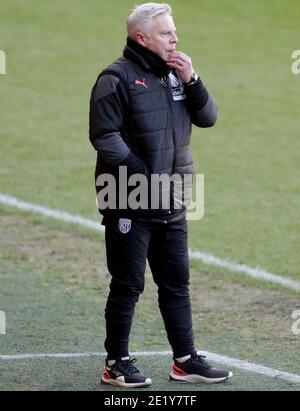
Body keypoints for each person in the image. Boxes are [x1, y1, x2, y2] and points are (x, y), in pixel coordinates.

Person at [89, 2, 233, 388]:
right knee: (128, 284)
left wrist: (193, 79)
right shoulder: (115, 78)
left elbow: (208, 117)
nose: (175, 38)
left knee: (176, 282)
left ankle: (184, 360)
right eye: (167, 33)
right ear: (142, 38)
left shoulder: (176, 74)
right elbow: (104, 137)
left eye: (174, 31)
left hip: (172, 198)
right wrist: (144, 174)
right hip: (129, 199)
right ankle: (116, 363)